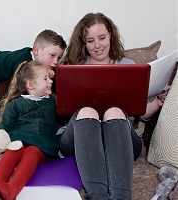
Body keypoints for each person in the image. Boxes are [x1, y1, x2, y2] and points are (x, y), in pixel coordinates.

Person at [58, 12, 170, 199]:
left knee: (115, 112)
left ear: (110, 34)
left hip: (121, 141)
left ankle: (121, 196)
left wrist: (157, 102)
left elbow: (140, 113)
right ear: (84, 43)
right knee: (87, 111)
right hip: (79, 138)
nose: (97, 45)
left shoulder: (129, 66)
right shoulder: (73, 67)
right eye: (90, 40)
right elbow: (62, 111)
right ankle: (97, 196)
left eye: (102, 38)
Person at [0, 60, 60, 200]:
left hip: (42, 146)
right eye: (45, 79)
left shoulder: (51, 101)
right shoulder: (16, 104)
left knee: (32, 151)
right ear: (30, 84)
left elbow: (59, 121)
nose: (51, 81)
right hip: (18, 140)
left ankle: (12, 189)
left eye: (50, 78)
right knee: (15, 148)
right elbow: (5, 125)